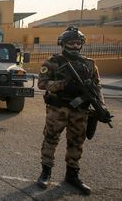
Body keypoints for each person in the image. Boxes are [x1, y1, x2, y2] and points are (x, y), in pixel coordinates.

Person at [36, 26, 109, 195]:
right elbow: (42, 83)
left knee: (76, 142)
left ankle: (72, 175)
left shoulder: (90, 64)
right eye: (71, 43)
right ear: (63, 44)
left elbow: (97, 87)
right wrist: (61, 85)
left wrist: (102, 106)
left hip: (80, 111)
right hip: (58, 109)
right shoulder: (52, 62)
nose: (75, 46)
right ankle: (45, 172)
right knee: (51, 139)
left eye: (78, 43)